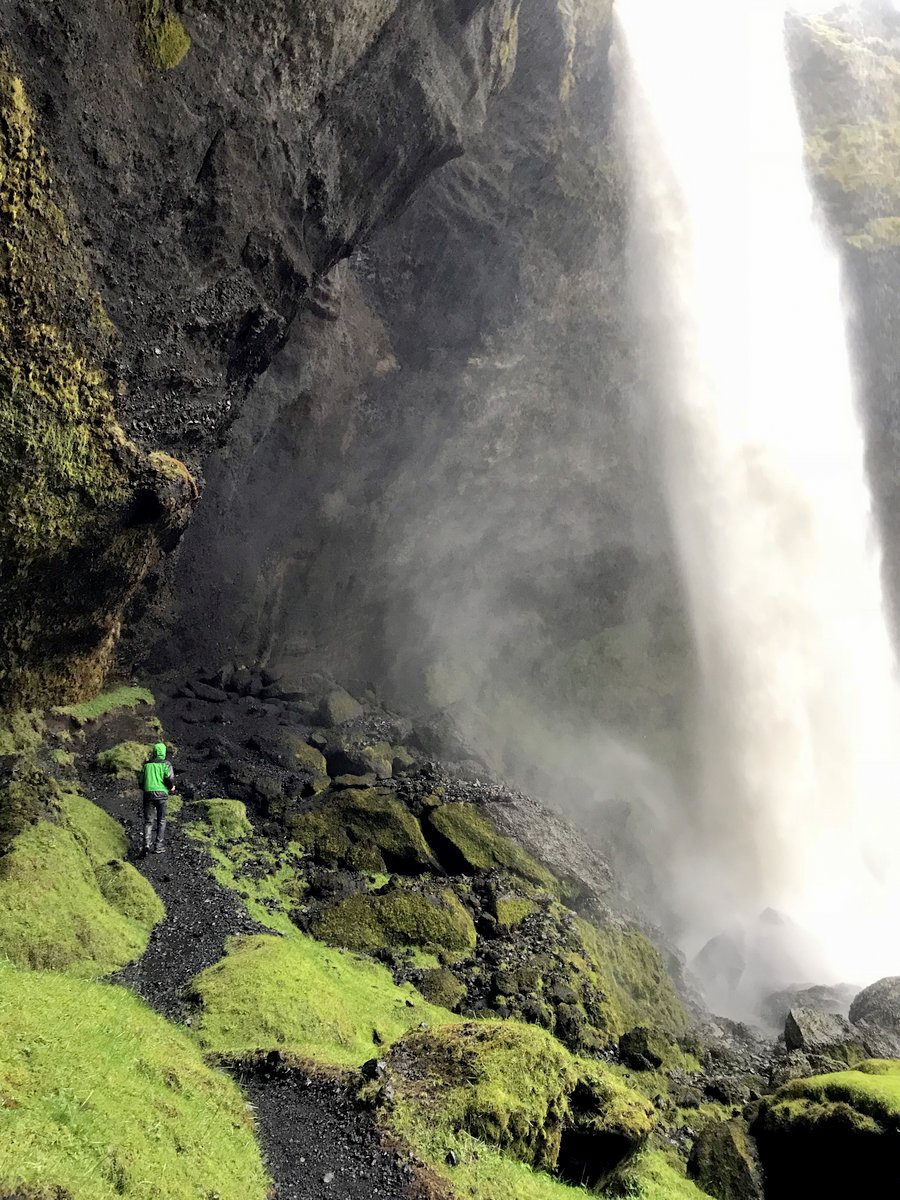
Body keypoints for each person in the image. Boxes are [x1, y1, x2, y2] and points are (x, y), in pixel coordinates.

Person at [139, 742, 175, 855]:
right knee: (161, 820)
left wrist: (146, 788)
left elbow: (140, 781)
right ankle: (158, 846)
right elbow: (169, 778)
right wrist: (171, 787)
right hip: (162, 794)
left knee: (148, 821)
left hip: (148, 793)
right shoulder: (166, 764)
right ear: (163, 752)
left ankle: (146, 844)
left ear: (154, 752)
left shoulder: (147, 765)